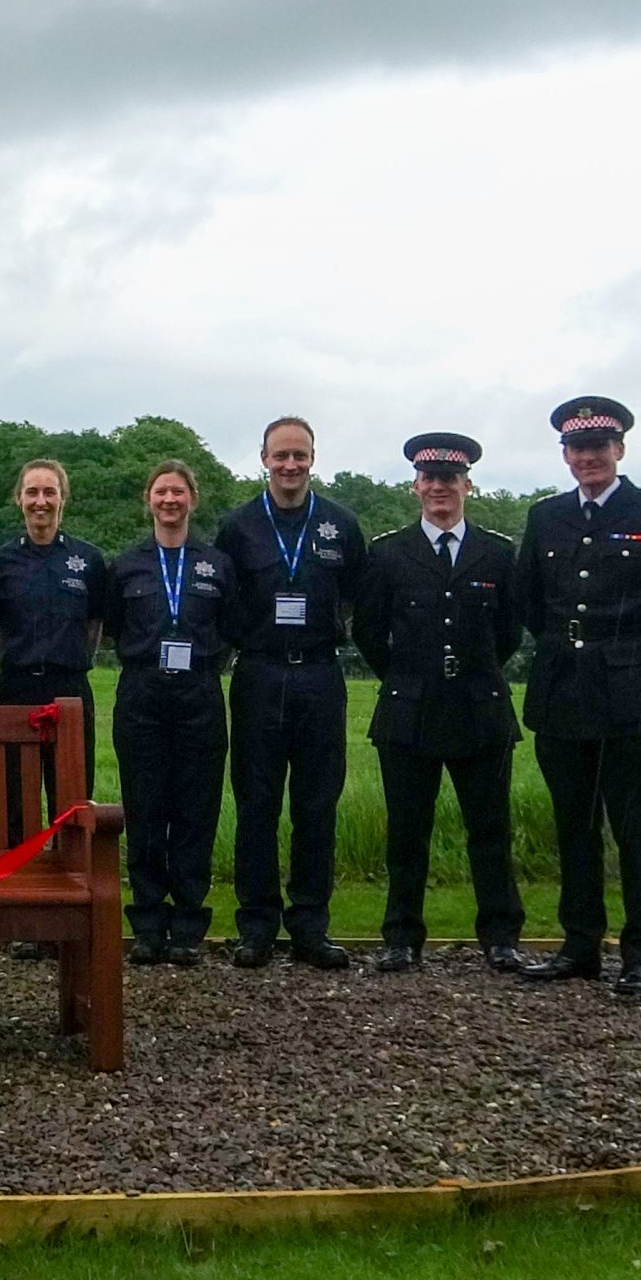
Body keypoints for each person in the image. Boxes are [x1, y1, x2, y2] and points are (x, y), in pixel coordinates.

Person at [517, 397, 641, 996]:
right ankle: (579, 946)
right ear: (566, 456)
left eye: (599, 447)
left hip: (631, 691)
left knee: (634, 822)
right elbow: (528, 600)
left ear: (619, 450)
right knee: (573, 823)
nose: (588, 458)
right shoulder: (545, 516)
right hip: (563, 687)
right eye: (578, 449)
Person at [350, 433, 527, 975]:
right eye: (430, 479)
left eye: (449, 479)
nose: (439, 488)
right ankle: (402, 936)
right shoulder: (387, 552)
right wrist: (408, 674)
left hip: (479, 705)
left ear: (467, 484)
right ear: (415, 486)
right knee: (407, 830)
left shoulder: (497, 552)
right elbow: (369, 632)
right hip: (411, 706)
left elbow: (509, 633)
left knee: (490, 829)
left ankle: (500, 937)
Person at [216, 415, 366, 970]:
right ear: (263, 458)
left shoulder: (340, 525)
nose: (290, 465)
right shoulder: (238, 527)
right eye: (280, 455)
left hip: (320, 676)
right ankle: (255, 924)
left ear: (312, 459)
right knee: (256, 804)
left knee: (316, 805)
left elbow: (354, 600)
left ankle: (310, 925)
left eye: (299, 455)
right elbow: (226, 602)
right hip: (258, 673)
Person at [102, 461, 245, 967]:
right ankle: (146, 923)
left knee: (195, 810)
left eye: (178, 492)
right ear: (148, 499)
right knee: (144, 808)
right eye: (161, 491)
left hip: (199, 693)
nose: (169, 500)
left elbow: (232, 626)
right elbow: (115, 627)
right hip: (142, 692)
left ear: (193, 499)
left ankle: (187, 925)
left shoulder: (216, 564)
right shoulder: (125, 566)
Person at [0, 459, 108, 960]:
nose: (41, 501)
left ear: (64, 498)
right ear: (19, 499)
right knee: (17, 806)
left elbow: (96, 625)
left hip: (69, 690)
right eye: (32, 492)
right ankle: (22, 916)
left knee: (69, 804)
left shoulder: (89, 560)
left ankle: (66, 918)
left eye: (50, 493)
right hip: (16, 689)